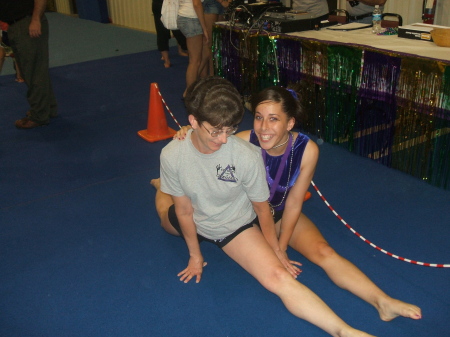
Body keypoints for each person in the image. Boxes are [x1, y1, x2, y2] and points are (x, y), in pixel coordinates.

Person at [173, 84, 422, 324]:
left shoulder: (307, 150)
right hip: (244, 219)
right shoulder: (241, 141)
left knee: (324, 251)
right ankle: (159, 188)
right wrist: (188, 129)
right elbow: (207, 141)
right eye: (259, 117)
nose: (263, 127)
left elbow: (293, 204)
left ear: (290, 123)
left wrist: (280, 248)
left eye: (274, 119)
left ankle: (383, 302)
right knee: (169, 209)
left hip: (278, 213)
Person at [0, 0, 58, 129]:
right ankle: (47, 108)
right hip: (15, 26)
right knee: (35, 71)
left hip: (27, 24)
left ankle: (39, 116)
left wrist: (35, 19)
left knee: (33, 73)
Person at [177, 0, 209, 97]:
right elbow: (197, 4)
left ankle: (193, 85)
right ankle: (189, 93)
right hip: (191, 19)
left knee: (206, 53)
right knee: (195, 60)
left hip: (187, 17)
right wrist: (204, 28)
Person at [152, 0, 188, 69]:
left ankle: (181, 50)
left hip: (173, 3)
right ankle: (167, 60)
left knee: (178, 29)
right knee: (163, 31)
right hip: (161, 4)